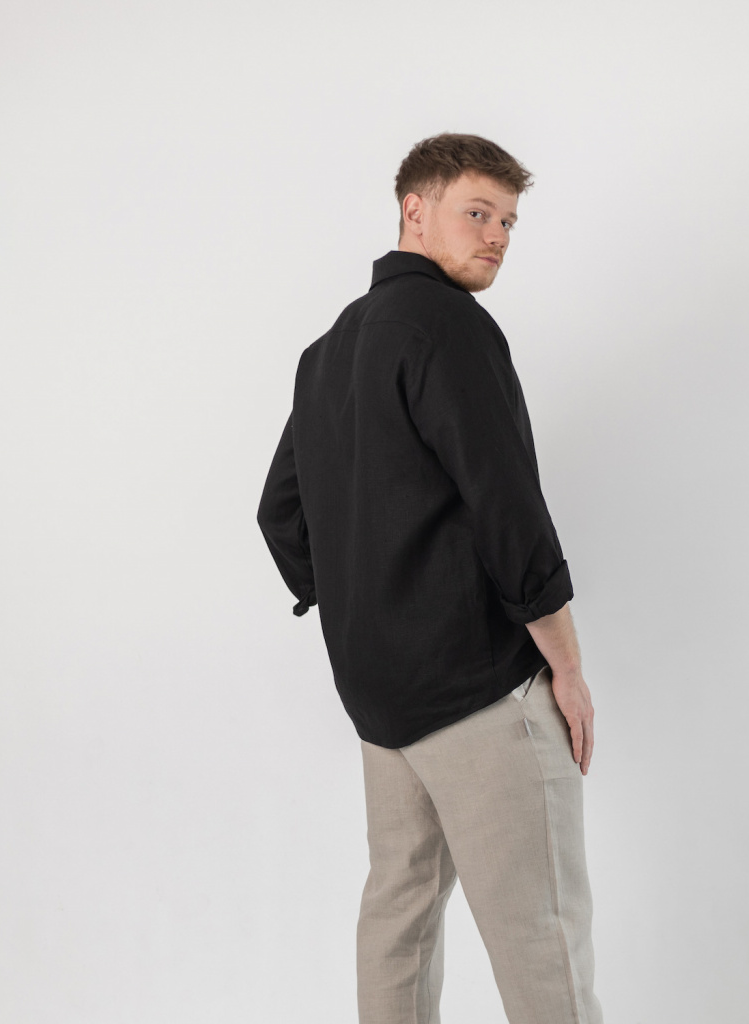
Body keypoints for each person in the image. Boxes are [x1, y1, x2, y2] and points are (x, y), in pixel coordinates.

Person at [258, 132, 602, 1024]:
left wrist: (372, 597)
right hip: (478, 695)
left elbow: (280, 514)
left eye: (509, 222)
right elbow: (508, 508)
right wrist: (566, 667)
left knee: (399, 919)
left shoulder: (329, 349)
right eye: (477, 213)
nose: (497, 237)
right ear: (415, 211)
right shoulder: (449, 325)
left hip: (382, 704)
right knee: (542, 940)